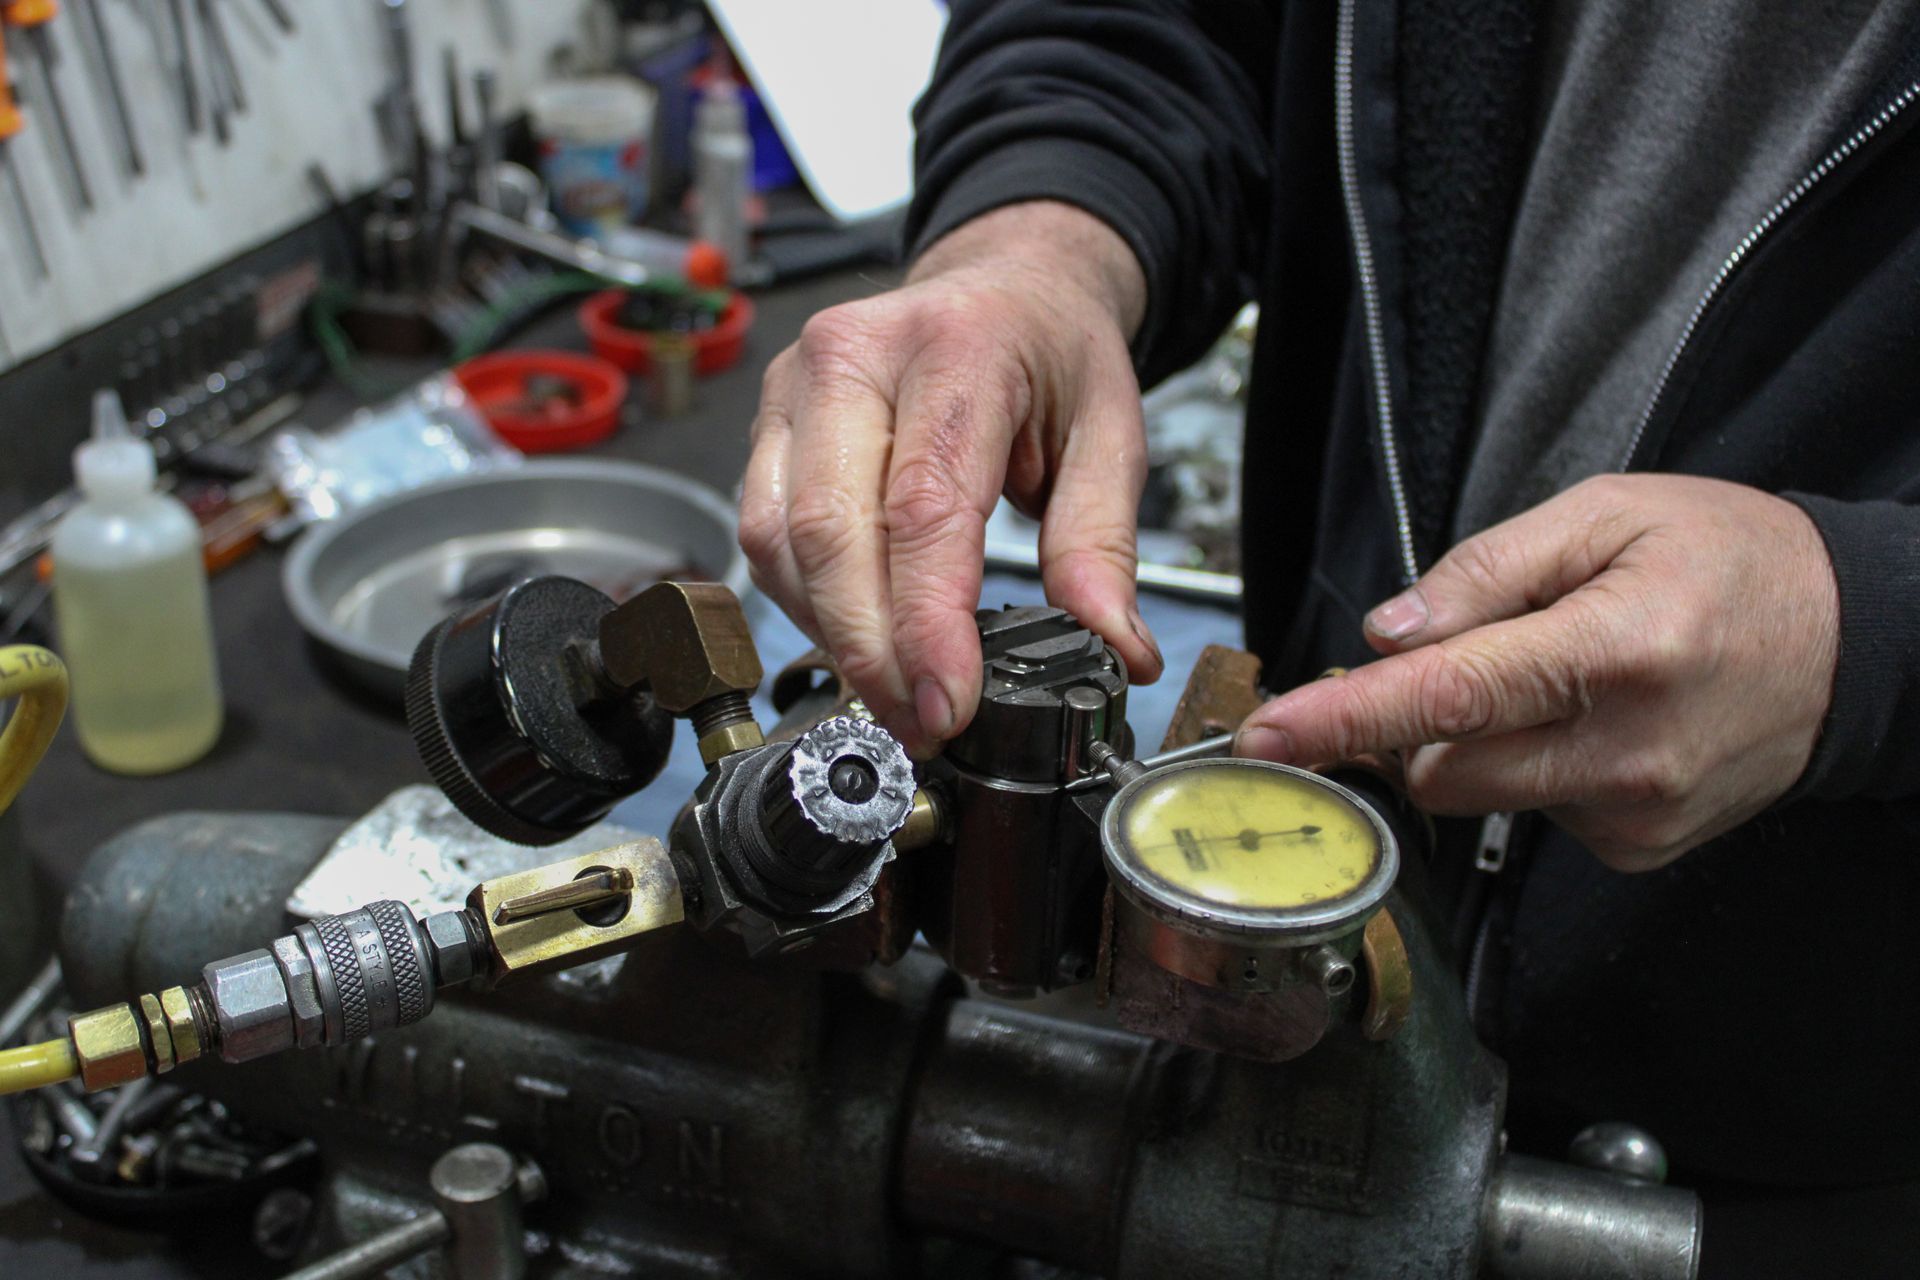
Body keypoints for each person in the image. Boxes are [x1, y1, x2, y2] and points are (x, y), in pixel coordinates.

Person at [739, 4, 1920, 1275]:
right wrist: (1037, 238)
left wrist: (1867, 628)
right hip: (1273, 1025)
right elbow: (1131, 29)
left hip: (1806, 1131)